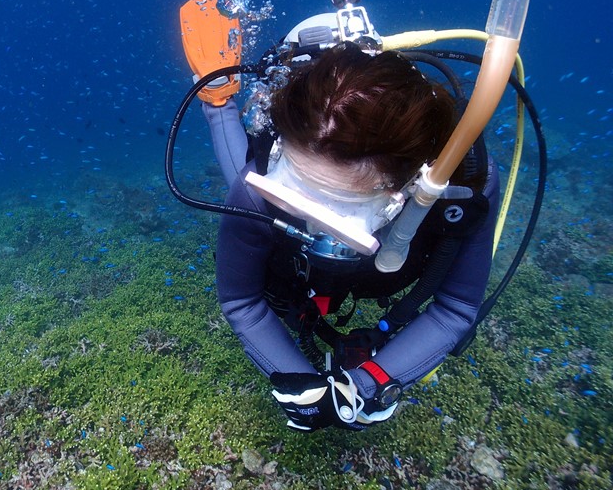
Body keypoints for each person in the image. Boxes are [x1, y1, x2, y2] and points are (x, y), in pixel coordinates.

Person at [198, 33, 499, 433]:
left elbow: (456, 308)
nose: (312, 223)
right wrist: (303, 385)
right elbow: (242, 302)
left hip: (398, 252)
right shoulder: (260, 180)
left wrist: (367, 384)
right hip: (285, 239)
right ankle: (219, 101)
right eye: (293, 190)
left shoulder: (462, 182)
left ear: (409, 192)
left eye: (341, 208)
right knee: (244, 187)